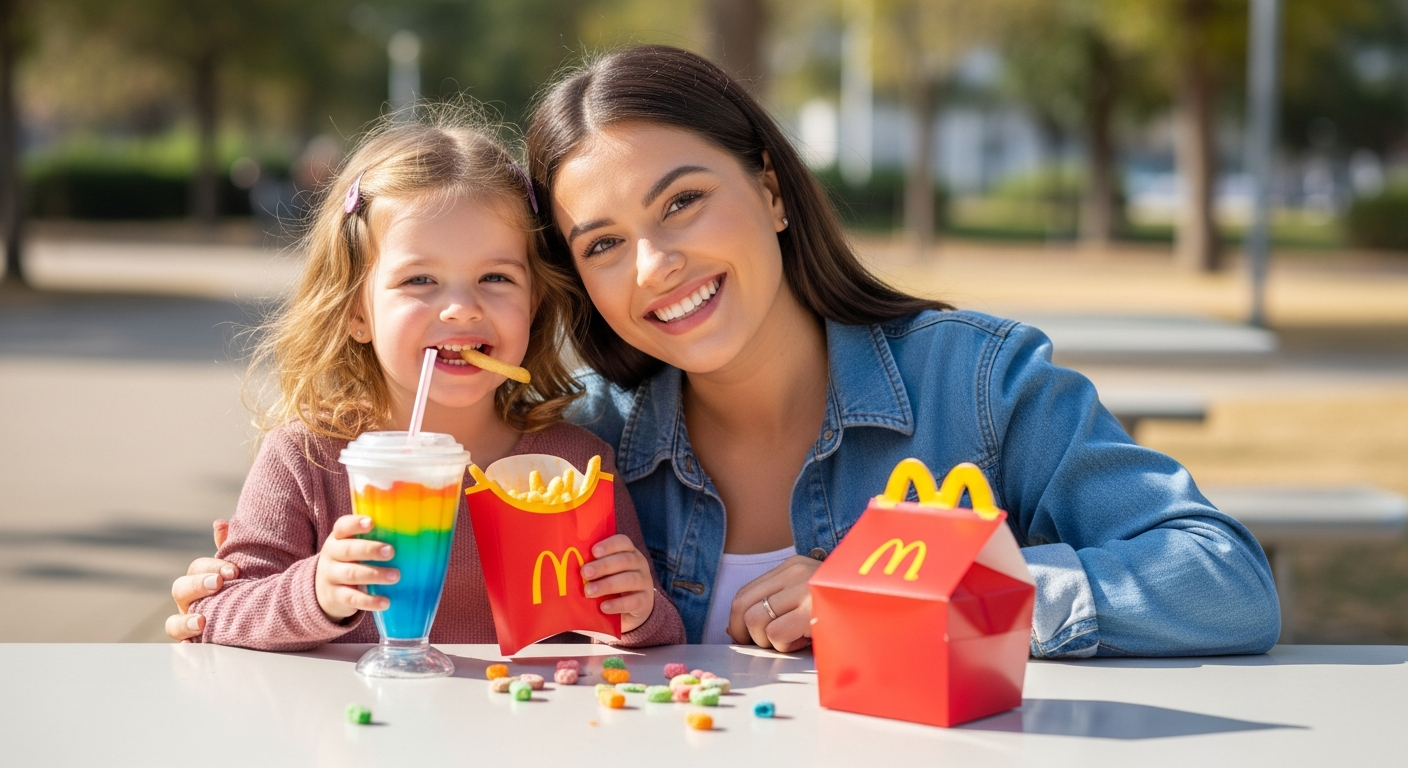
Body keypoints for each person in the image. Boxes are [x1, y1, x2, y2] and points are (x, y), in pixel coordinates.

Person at [171, 46, 1278, 658]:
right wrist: (250, 593)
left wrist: (934, 594)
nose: (654, 266)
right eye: (603, 243)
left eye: (684, 202)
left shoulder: (976, 384)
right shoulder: (590, 438)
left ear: (768, 184)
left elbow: (1226, 585)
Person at [173, 106, 683, 651]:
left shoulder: (574, 468)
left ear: (534, 301)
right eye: (420, 279)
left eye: (496, 277)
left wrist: (635, 612)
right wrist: (316, 592)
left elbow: (659, 633)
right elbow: (214, 612)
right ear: (356, 312)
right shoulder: (306, 460)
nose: (462, 308)